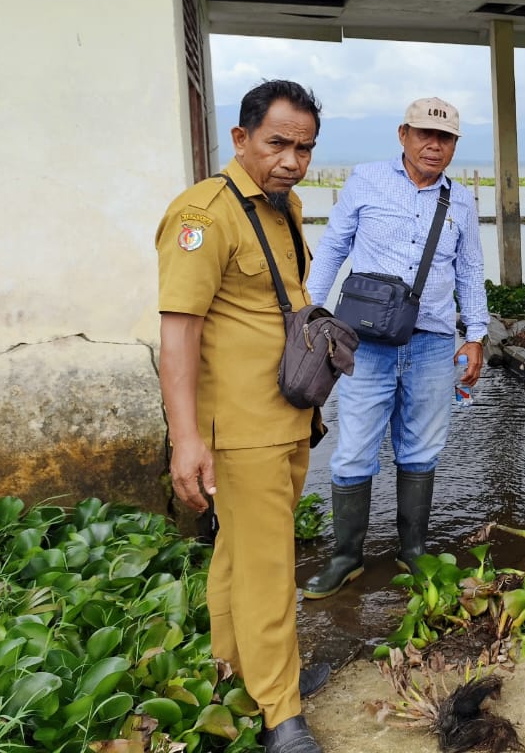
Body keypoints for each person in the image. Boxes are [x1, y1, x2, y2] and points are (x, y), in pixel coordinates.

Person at [157, 79, 329, 753]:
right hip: (241, 428)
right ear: (241, 137)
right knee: (267, 567)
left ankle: (238, 680)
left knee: (238, 557)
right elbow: (179, 332)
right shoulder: (203, 216)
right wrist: (185, 440)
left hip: (288, 414)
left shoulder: (285, 207)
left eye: (304, 149)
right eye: (277, 143)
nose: (291, 161)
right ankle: (281, 714)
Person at [302, 97, 488, 598]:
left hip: (432, 343)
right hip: (365, 343)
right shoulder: (366, 180)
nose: (434, 145)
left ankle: (413, 550)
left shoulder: (460, 200)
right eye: (425, 134)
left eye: (445, 137)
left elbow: (470, 269)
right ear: (403, 134)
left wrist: (475, 335)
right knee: (353, 450)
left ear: (454, 145)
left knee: (422, 448)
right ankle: (346, 557)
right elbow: (333, 248)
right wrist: (310, 315)